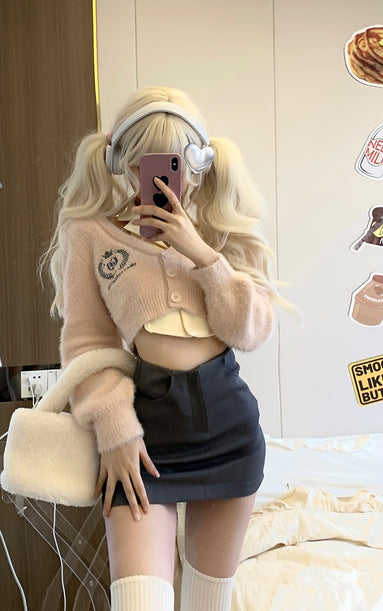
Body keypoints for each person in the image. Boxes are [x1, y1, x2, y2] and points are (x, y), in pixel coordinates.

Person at [44, 86, 284, 611]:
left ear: (195, 163)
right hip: (144, 438)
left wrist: (200, 252)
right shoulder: (91, 235)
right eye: (143, 164)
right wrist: (114, 430)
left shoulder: (220, 230)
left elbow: (251, 332)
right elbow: (87, 343)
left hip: (231, 430)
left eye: (172, 164)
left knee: (206, 604)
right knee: (139, 603)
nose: (156, 179)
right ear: (121, 162)